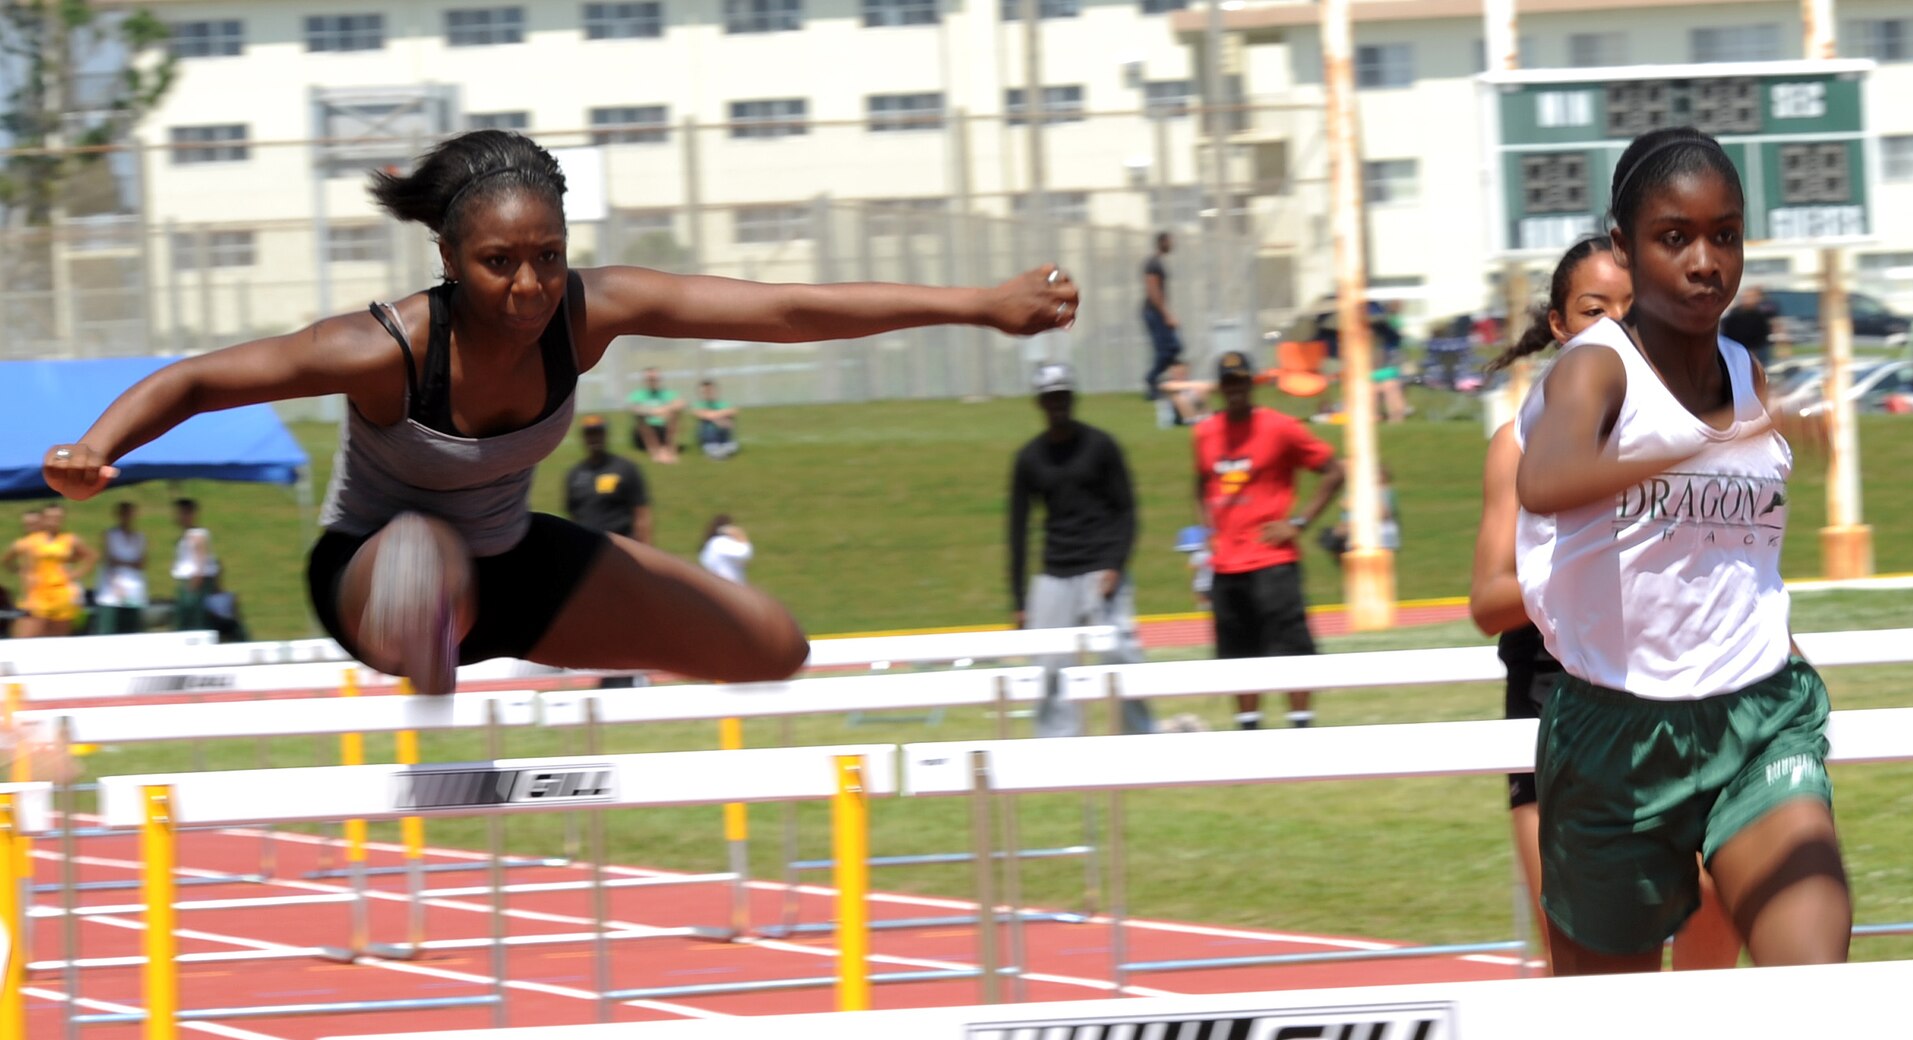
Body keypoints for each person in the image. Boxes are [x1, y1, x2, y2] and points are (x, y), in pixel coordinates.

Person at [41, 129, 1077, 696]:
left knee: (771, 647)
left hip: (509, 567)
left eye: (546, 258)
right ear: (447, 261)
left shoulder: (592, 312)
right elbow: (202, 379)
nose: (529, 289)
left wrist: (978, 305)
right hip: (372, 577)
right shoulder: (384, 348)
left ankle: (467, 630)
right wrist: (98, 448)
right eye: (498, 264)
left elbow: (782, 309)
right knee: (422, 551)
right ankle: (427, 644)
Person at [1467, 127, 1906, 1040]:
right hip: (1611, 744)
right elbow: (1549, 484)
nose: (1704, 260)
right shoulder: (1588, 372)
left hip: (1757, 720)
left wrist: (1752, 434)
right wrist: (1697, 450)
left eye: (1723, 234)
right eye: (1675, 237)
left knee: (1819, 989)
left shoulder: (1743, 365)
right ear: (1628, 242)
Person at [1468, 233, 1751, 1040]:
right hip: (1554, 709)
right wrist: (1583, 569)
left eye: (1624, 309)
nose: (1611, 326)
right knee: (1580, 962)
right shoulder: (1519, 442)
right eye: (1591, 310)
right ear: (1557, 326)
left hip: (1665, 699)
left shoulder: (1676, 426)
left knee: (1718, 892)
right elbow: (1485, 599)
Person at [1193, 350, 1344, 730]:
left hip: (1272, 560)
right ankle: (1248, 727)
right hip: (1227, 564)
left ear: (1252, 384)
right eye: (1229, 383)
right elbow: (1200, 483)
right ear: (1220, 388)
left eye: (1241, 381)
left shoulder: (1279, 427)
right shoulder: (1206, 432)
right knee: (1237, 651)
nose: (1235, 390)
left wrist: (1298, 522)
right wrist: (1208, 531)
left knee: (1291, 645)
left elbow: (1333, 470)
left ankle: (1301, 724)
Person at [1008, 361, 1151, 738]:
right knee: (1049, 664)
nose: (1058, 404)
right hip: (1055, 573)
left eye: (1063, 396)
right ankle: (1058, 749)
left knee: (1121, 656)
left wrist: (1115, 566)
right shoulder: (1030, 458)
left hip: (1101, 570)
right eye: (1050, 398)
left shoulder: (1100, 447)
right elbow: (1018, 531)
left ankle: (1143, 740)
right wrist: (1020, 599)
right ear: (1040, 403)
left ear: (1073, 398)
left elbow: (1127, 512)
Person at [562, 415, 652, 546]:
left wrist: (645, 548)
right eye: (590, 434)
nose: (594, 438)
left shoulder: (625, 468)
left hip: (620, 547)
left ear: (605, 434)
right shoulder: (574, 474)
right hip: (585, 548)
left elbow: (641, 512)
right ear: (584, 437)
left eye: (598, 433)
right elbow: (572, 515)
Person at [5, 504, 92, 638]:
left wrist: (76, 573)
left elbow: (90, 556)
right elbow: (8, 558)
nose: (54, 520)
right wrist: (20, 570)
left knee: (58, 638)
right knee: (27, 635)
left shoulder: (68, 539)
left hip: (61, 591)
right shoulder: (31, 541)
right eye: (50, 517)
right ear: (43, 519)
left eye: (58, 517)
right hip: (38, 593)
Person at [96, 499, 150, 634]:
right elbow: (109, 560)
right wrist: (130, 564)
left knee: (132, 630)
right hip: (113, 589)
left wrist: (122, 562)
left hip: (134, 588)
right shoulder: (110, 535)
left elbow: (142, 563)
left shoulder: (139, 537)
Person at [168, 497, 221, 631]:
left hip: (194, 581)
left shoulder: (197, 534)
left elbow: (200, 557)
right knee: (186, 619)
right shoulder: (185, 535)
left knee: (195, 619)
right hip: (187, 580)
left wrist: (196, 580)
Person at [1141, 231, 1182, 399]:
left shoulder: (1157, 263)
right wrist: (1166, 315)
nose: (1172, 244)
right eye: (1170, 241)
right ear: (1162, 242)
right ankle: (1152, 381)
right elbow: (1153, 291)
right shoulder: (1153, 263)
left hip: (1157, 312)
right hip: (1154, 312)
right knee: (1166, 351)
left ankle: (1170, 383)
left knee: (1173, 348)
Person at [626, 367, 684, 463]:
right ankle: (655, 452)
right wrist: (653, 412)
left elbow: (681, 404)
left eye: (655, 379)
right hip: (645, 430)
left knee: (675, 414)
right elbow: (634, 408)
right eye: (650, 379)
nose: (652, 381)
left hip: (663, 427)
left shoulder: (667, 393)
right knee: (640, 417)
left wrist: (665, 409)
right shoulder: (638, 394)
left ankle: (670, 449)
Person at [1720, 283, 1775, 369]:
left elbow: (1763, 332)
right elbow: (1728, 331)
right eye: (1748, 297)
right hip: (1738, 349)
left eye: (1753, 297)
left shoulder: (1760, 315)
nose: (1750, 299)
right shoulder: (1734, 314)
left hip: (1757, 349)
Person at [697, 515, 752, 584]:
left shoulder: (710, 545)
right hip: (729, 585)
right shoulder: (721, 542)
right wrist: (740, 536)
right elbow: (745, 553)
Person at [691, 379, 739, 459]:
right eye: (705, 391)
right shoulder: (698, 404)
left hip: (724, 433)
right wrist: (721, 416)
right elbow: (702, 414)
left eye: (710, 390)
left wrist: (715, 415)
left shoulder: (724, 403)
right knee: (712, 425)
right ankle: (712, 447)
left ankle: (724, 445)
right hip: (708, 437)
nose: (708, 393)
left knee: (731, 446)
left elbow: (734, 411)